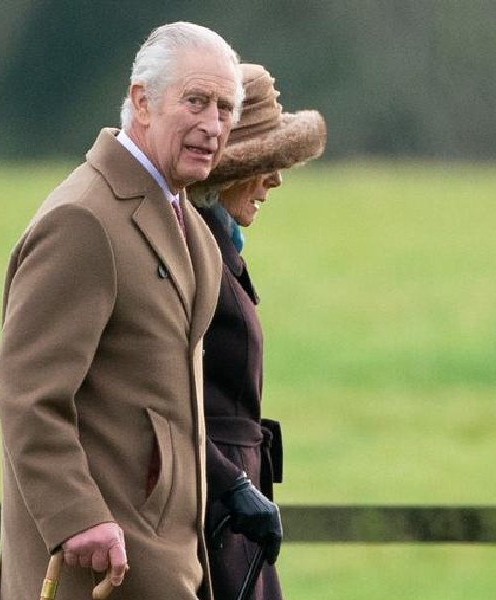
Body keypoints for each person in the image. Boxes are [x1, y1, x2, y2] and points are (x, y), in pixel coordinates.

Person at [0, 22, 243, 600]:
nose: (213, 125)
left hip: (163, 560)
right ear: (141, 102)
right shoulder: (84, 220)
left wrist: (225, 488)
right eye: (196, 102)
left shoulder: (184, 220)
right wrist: (76, 516)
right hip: (98, 572)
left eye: (225, 109)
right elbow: (26, 391)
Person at [188, 63, 326, 600]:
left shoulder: (218, 247)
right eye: (265, 164)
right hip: (210, 511)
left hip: (232, 512)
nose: (275, 179)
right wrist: (232, 485)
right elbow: (164, 400)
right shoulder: (193, 251)